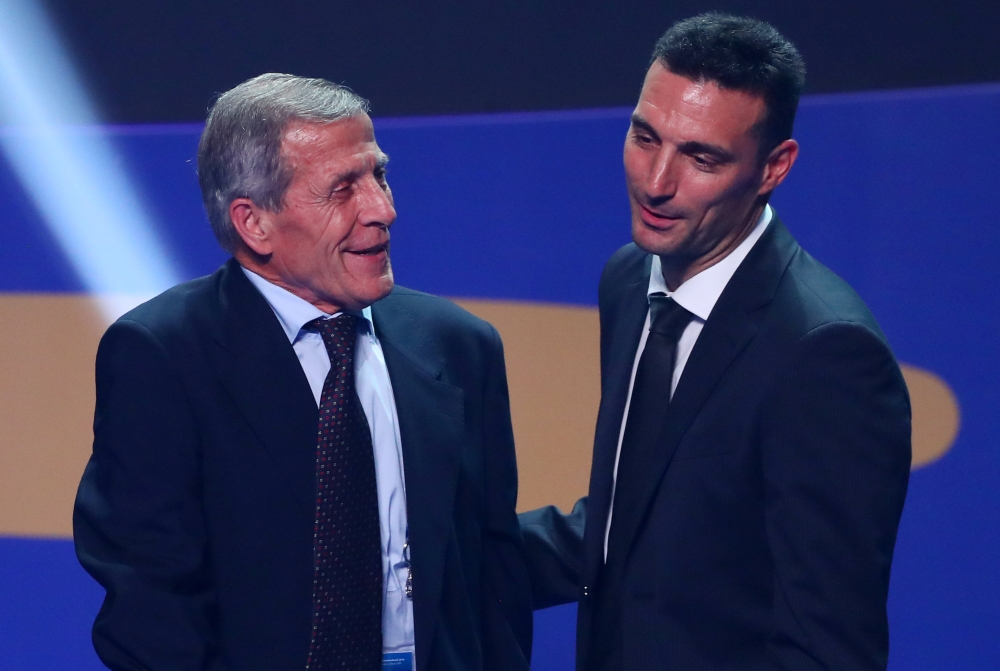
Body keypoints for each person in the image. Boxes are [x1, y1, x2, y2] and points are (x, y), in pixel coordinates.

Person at [74, 73, 531, 671]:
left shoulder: (459, 346)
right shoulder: (163, 356)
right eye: (343, 189)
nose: (383, 209)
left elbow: (492, 574)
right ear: (253, 222)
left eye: (380, 175)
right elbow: (150, 603)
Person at [520, 13, 911, 671]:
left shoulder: (826, 352)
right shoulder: (627, 279)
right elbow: (632, 524)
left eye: (701, 157)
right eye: (645, 137)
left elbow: (827, 647)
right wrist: (431, 552)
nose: (656, 181)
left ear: (773, 167)